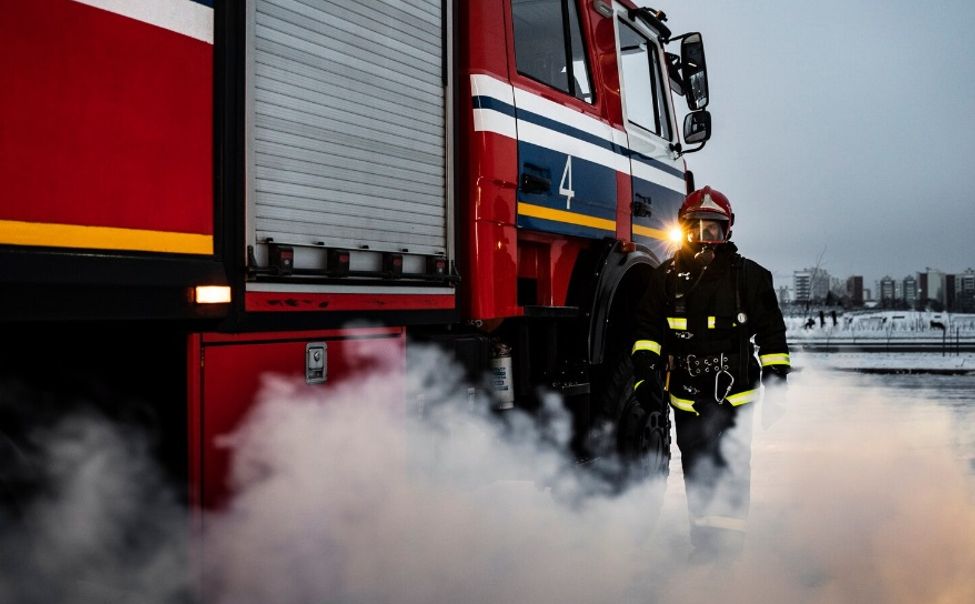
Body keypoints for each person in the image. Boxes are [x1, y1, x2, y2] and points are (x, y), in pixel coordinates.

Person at [631, 186, 790, 562]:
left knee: (732, 469)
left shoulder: (750, 277)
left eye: (713, 230)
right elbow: (646, 332)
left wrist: (777, 382)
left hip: (735, 396)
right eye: (696, 229)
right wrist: (643, 375)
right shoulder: (665, 278)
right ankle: (703, 547)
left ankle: (728, 553)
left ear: (727, 232)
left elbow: (772, 334)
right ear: (682, 229)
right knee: (697, 470)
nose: (705, 237)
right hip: (687, 396)